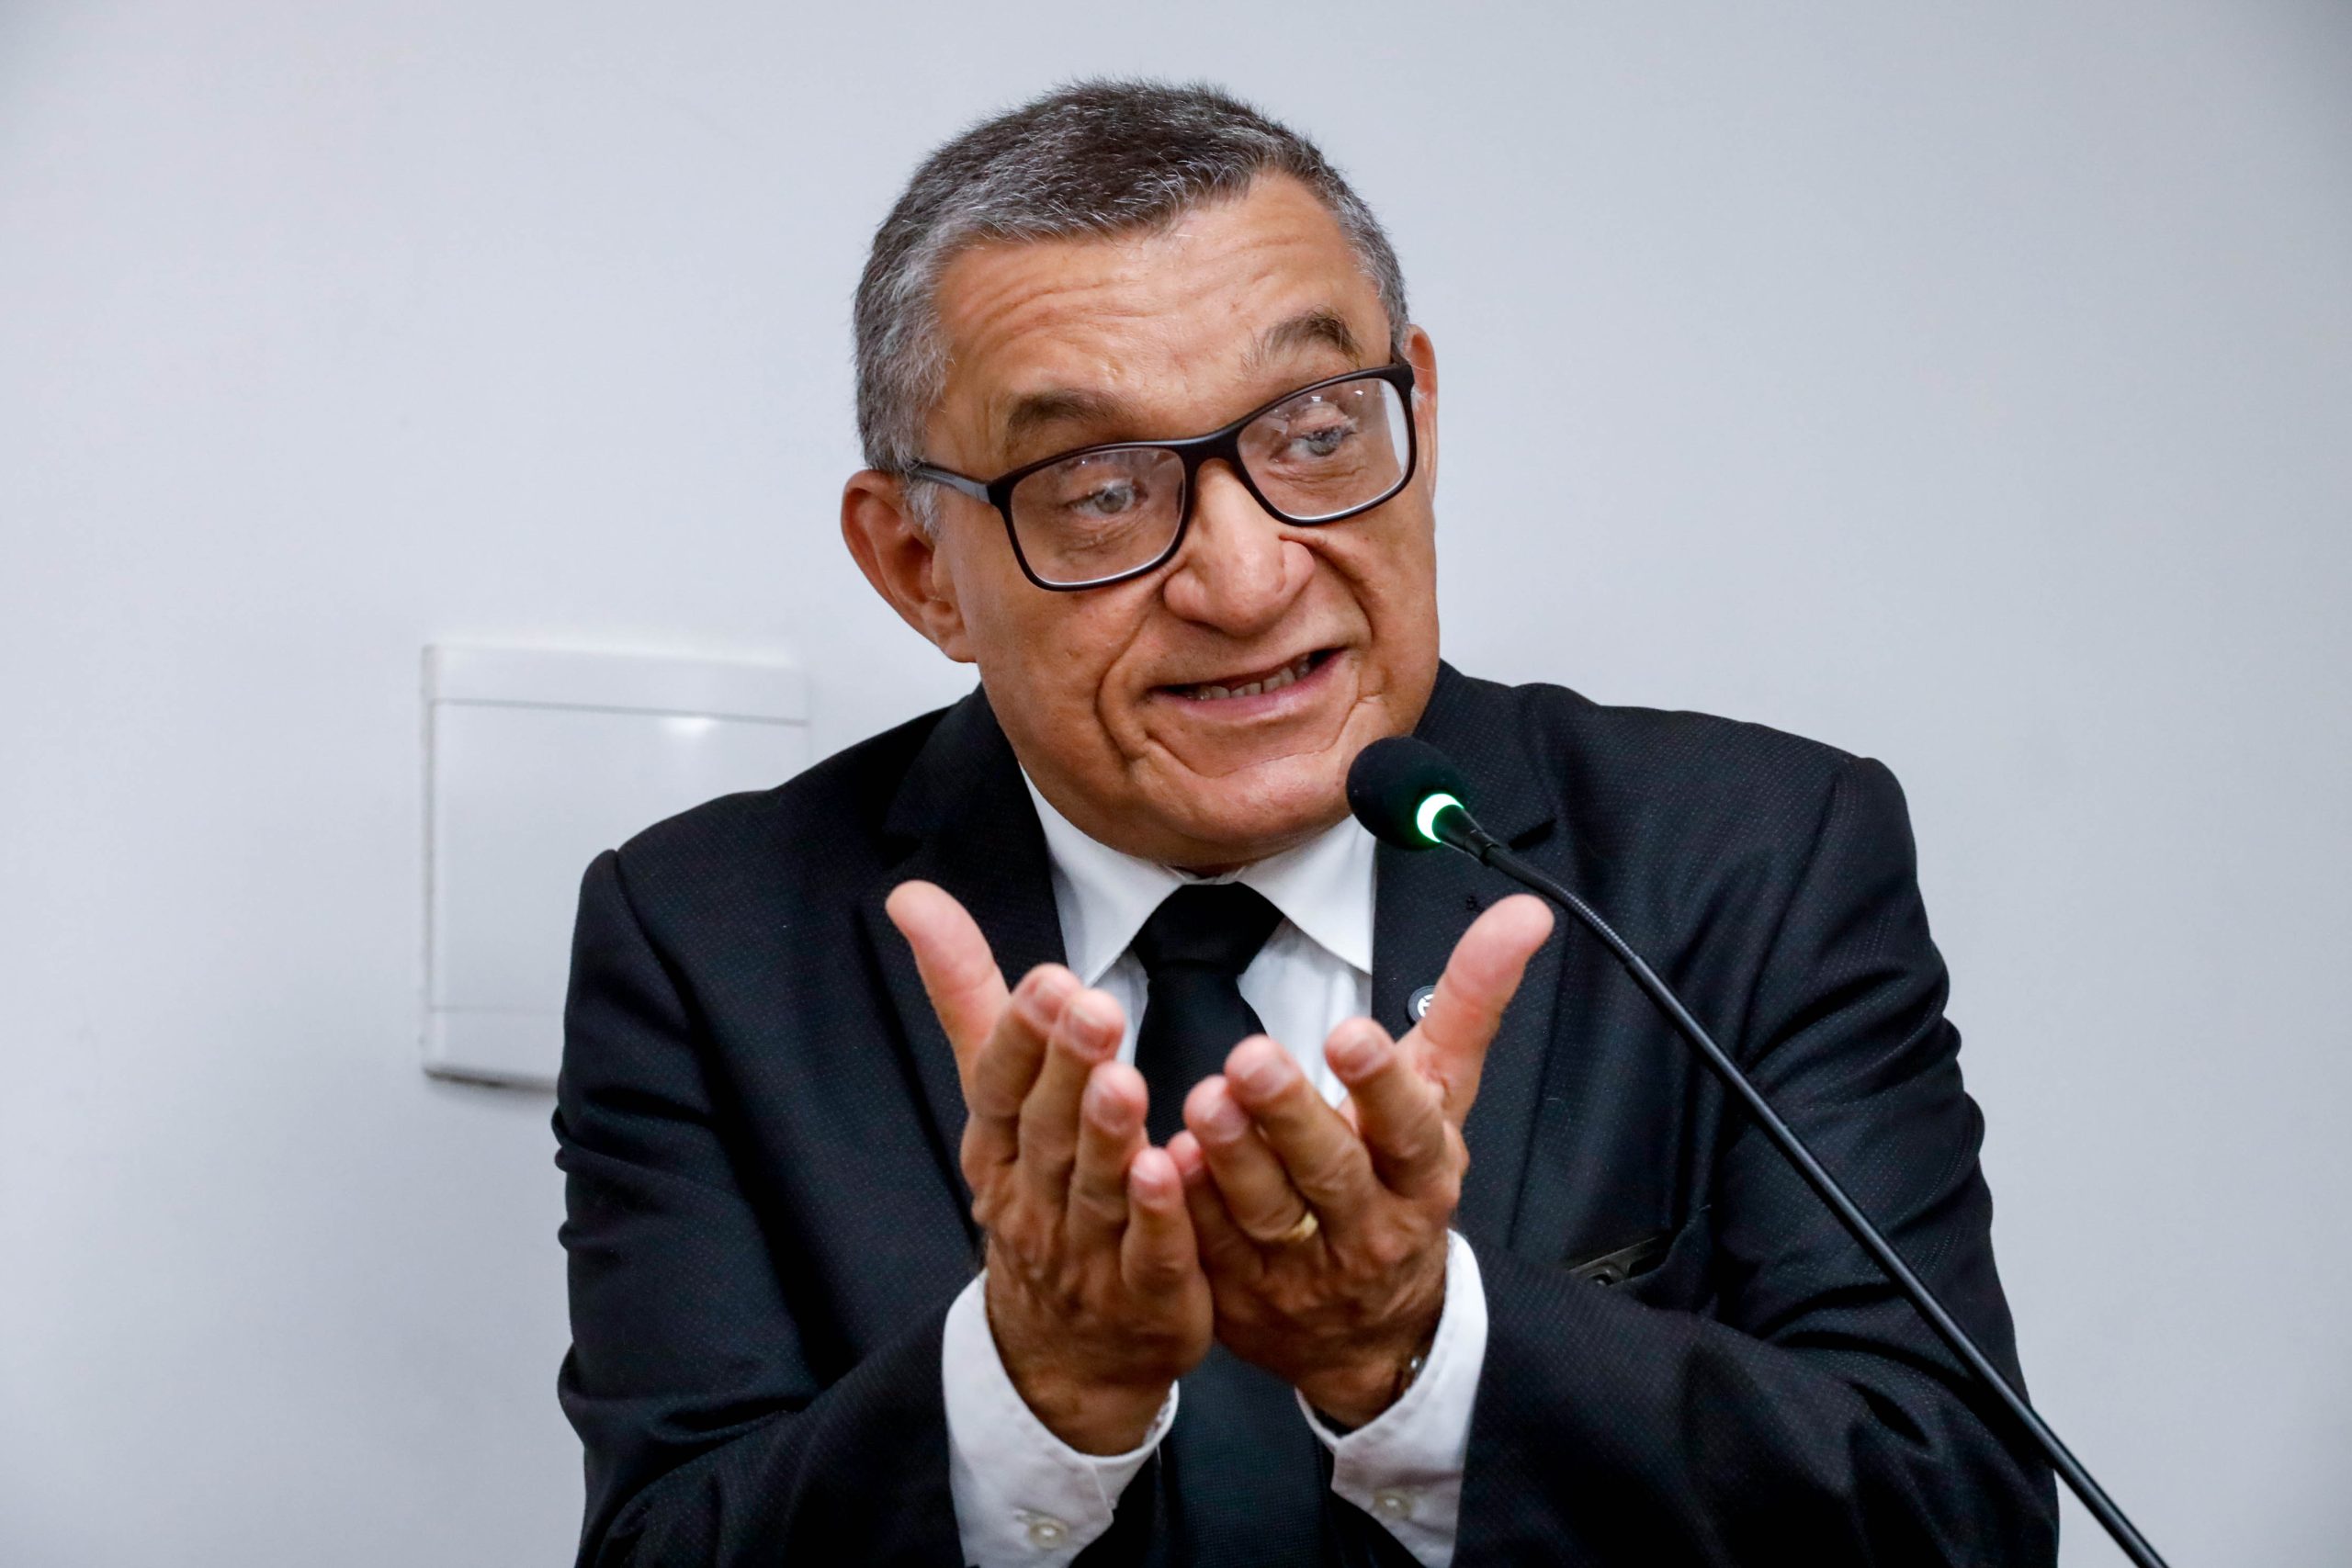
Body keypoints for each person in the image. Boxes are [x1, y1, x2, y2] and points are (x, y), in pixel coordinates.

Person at [554, 80, 2058, 1566]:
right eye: (1098, 489)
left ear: (1419, 416)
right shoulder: (703, 940)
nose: (1248, 577)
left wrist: (1420, 1347)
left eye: (1318, 433)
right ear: (918, 567)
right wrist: (1028, 1398)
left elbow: (1954, 1519)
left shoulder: (1756, 858)